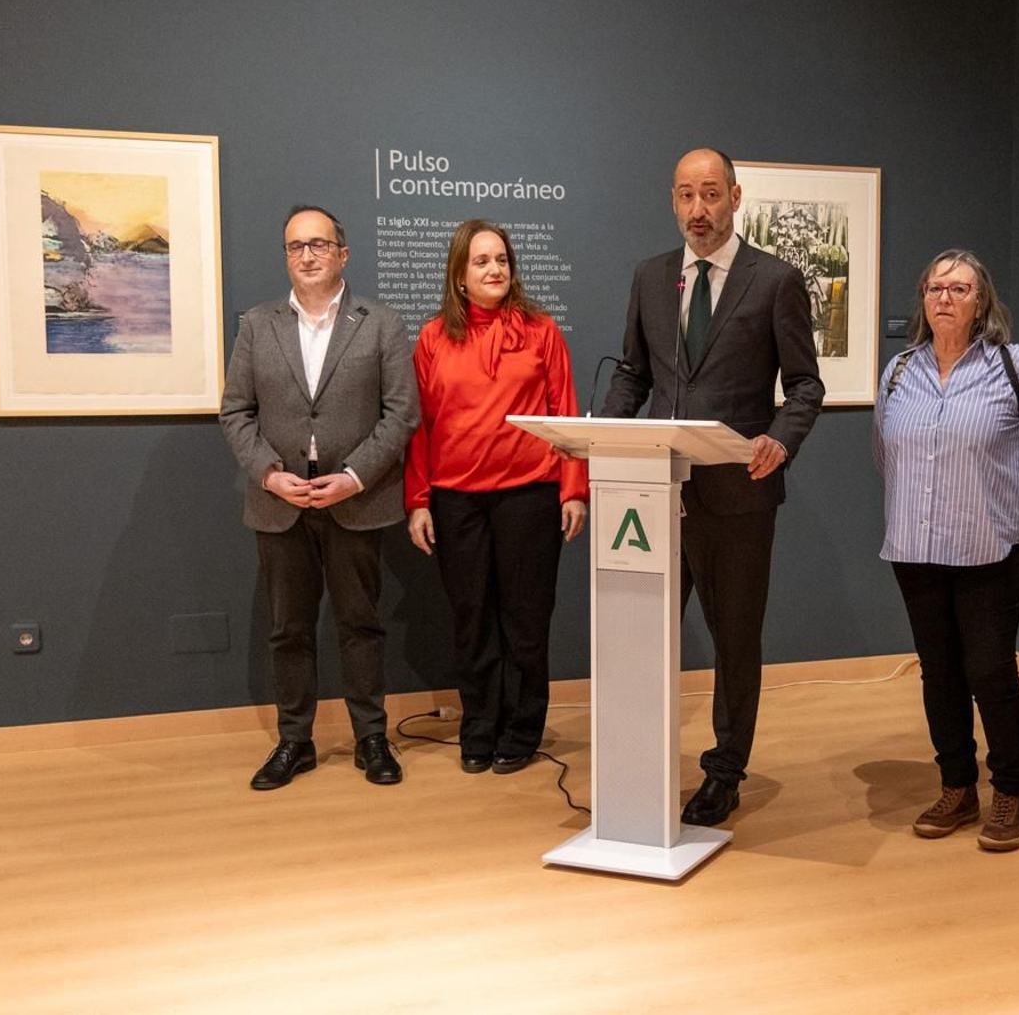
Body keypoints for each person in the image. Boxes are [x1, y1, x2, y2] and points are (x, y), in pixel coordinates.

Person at [601, 147, 824, 827]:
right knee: (640, 634)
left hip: (738, 497)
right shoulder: (650, 278)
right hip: (653, 496)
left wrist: (780, 439)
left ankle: (724, 771)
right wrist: (603, 436)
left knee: (733, 640)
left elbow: (806, 385)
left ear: (735, 196)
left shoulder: (776, 280)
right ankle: (639, 760)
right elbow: (635, 374)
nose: (698, 210)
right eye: (685, 196)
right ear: (673, 201)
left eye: (710, 195)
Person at [220, 205, 420, 790]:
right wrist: (268, 474)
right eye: (295, 246)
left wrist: (354, 476)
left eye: (318, 244)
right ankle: (295, 741)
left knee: (361, 623)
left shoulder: (380, 323)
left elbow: (401, 412)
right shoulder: (257, 324)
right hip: (281, 504)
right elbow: (235, 411)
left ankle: (371, 737)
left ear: (342, 253)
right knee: (289, 628)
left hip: (355, 500)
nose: (306, 255)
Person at [872, 249, 1019, 851]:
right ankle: (957, 784)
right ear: (923, 299)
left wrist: (1003, 517)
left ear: (983, 302)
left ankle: (1010, 790)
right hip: (914, 549)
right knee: (939, 673)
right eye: (935, 288)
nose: (945, 298)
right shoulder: (900, 370)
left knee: (991, 674)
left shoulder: (1017, 368)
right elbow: (887, 456)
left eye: (959, 288)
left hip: (989, 553)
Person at [405, 220, 588, 775]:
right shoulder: (433, 338)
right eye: (481, 261)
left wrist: (573, 489)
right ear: (460, 276)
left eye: (501, 260)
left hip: (530, 496)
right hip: (457, 500)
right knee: (473, 621)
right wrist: (417, 500)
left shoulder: (541, 332)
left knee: (527, 621)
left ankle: (523, 729)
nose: (494, 270)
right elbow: (420, 427)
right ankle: (478, 728)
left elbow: (565, 413)